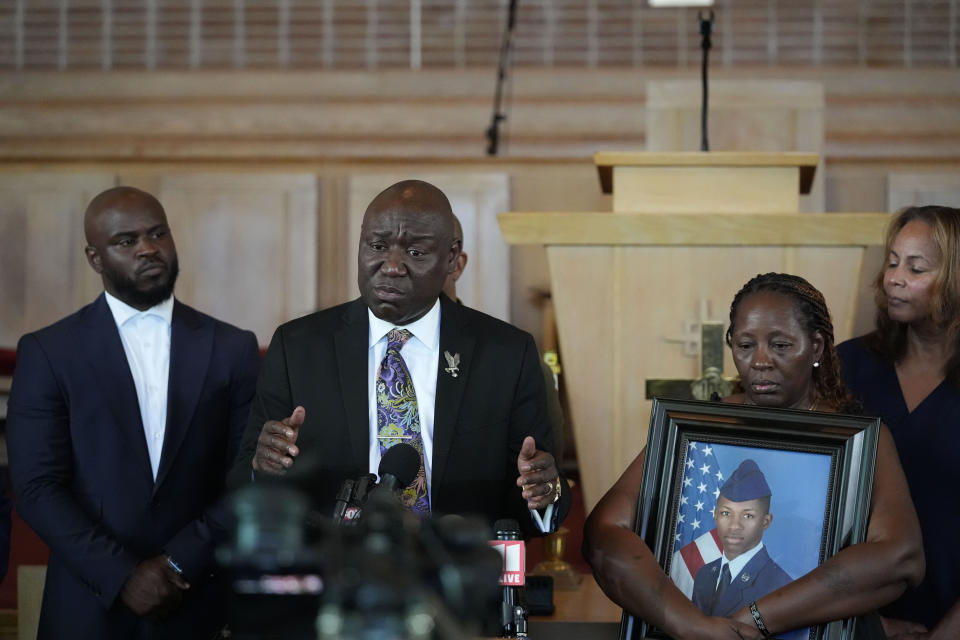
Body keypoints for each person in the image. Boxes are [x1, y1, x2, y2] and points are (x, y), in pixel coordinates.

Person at [584, 272, 924, 640]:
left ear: (817, 348)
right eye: (745, 346)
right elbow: (603, 533)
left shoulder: (858, 438)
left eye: (780, 346)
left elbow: (900, 557)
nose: (760, 361)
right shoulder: (697, 430)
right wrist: (688, 623)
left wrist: (749, 622)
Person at [228, 179, 570, 535]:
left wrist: (544, 492)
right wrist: (261, 467)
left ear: (451, 258)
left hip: (457, 575)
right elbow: (241, 485)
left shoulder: (506, 355)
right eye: (377, 246)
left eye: (415, 253)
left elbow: (539, 491)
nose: (391, 266)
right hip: (333, 572)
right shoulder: (298, 348)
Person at [6, 187, 261, 639]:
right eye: (126, 241)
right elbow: (36, 486)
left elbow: (246, 477)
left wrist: (179, 561)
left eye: (157, 233)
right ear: (94, 258)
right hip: (88, 605)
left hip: (197, 599)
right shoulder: (48, 352)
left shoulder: (232, 348)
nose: (148, 248)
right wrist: (123, 575)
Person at [838, 205, 960, 640]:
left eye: (916, 267)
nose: (893, 277)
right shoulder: (846, 366)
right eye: (892, 261)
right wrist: (862, 627)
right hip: (854, 617)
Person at [690, 460, 791, 617]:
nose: (734, 526)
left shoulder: (780, 587)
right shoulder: (704, 575)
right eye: (726, 513)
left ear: (766, 522)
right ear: (716, 516)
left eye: (747, 515)